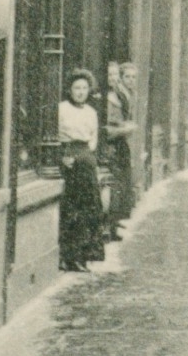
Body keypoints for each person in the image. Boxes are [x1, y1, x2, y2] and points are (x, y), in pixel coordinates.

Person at [58, 69, 106, 272]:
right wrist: (64, 156)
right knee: (72, 208)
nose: (80, 92)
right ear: (70, 90)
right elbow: (57, 134)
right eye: (76, 88)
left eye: (84, 88)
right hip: (69, 156)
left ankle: (84, 255)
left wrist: (88, 155)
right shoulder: (61, 109)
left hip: (86, 158)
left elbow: (93, 137)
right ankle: (69, 256)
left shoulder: (91, 112)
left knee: (89, 207)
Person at [104, 60, 136, 239]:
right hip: (112, 145)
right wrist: (125, 129)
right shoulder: (109, 97)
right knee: (114, 184)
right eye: (110, 74)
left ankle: (114, 222)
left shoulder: (120, 94)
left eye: (115, 74)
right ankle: (110, 226)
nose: (113, 78)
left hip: (120, 144)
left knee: (121, 184)